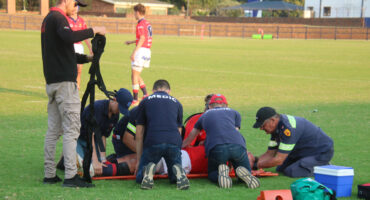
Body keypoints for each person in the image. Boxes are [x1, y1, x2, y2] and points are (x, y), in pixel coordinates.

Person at [41, 0, 105, 188]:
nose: (76, 8)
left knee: (53, 131)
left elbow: (65, 51)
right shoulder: (58, 18)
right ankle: (70, 175)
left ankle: (49, 174)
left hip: (53, 83)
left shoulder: (48, 19)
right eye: (75, 4)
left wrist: (88, 58)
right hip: (64, 85)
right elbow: (69, 38)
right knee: (71, 130)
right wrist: (94, 30)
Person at [183, 94, 260, 189]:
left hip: (217, 147)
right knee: (242, 168)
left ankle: (220, 175)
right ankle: (243, 175)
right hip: (238, 145)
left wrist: (180, 146)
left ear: (209, 106)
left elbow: (191, 137)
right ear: (226, 105)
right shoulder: (235, 113)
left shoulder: (204, 116)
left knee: (212, 173)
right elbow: (234, 133)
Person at [135, 79, 189, 190]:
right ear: (168, 91)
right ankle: (179, 171)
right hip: (173, 141)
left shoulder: (145, 101)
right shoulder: (177, 103)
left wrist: (139, 160)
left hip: (154, 140)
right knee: (173, 177)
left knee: (139, 177)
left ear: (153, 90)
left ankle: (146, 170)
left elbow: (139, 132)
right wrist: (177, 152)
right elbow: (179, 131)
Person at [252, 107, 334, 178]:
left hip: (320, 152)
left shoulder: (288, 128)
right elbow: (270, 154)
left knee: (291, 171)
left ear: (272, 120)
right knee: (280, 168)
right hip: (303, 152)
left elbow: (278, 160)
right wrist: (252, 163)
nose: (261, 128)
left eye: (263, 125)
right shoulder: (276, 128)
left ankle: (323, 166)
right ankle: (310, 163)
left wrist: (255, 166)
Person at [76, 88, 133, 177]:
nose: (119, 111)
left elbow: (102, 136)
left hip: (93, 141)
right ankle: (67, 156)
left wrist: (103, 159)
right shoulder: (97, 108)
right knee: (88, 166)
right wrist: (95, 161)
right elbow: (90, 135)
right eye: (120, 107)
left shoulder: (115, 115)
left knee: (101, 164)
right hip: (79, 138)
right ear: (114, 100)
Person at [125, 4, 152, 105]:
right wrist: (131, 42)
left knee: (134, 75)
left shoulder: (140, 24)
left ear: (137, 12)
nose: (134, 14)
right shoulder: (147, 23)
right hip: (147, 51)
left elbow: (142, 38)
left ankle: (135, 99)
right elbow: (144, 37)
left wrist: (134, 52)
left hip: (141, 51)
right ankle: (145, 94)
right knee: (137, 74)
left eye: (134, 12)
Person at [67, 5, 93, 90]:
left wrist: (90, 48)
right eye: (73, 6)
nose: (74, 8)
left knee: (79, 69)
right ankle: (70, 87)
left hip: (79, 46)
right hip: (69, 46)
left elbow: (85, 36)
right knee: (70, 69)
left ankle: (77, 87)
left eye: (76, 6)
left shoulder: (81, 20)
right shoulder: (65, 19)